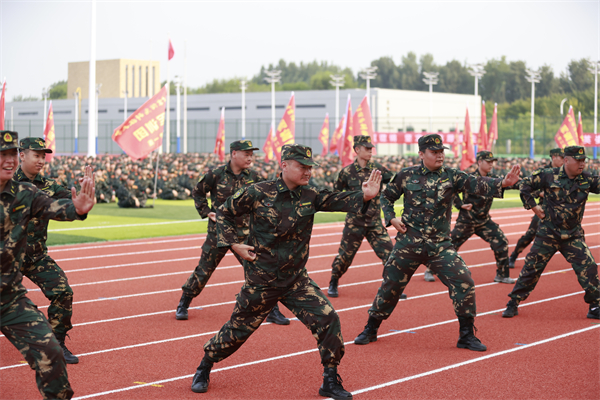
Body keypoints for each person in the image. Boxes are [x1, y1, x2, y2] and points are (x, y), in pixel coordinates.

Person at [190, 144, 383, 400]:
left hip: (296, 281)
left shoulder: (311, 195)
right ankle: (204, 366)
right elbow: (224, 212)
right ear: (284, 165)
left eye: (310, 167)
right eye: (302, 166)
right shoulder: (258, 191)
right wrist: (234, 244)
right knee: (236, 332)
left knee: (328, 319)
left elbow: (338, 199)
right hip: (262, 280)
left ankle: (330, 378)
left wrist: (365, 196)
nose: (308, 171)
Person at [353, 134, 520, 352]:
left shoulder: (452, 175)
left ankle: (466, 335)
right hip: (408, 244)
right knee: (390, 286)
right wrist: (391, 218)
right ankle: (371, 328)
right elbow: (386, 197)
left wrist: (503, 183)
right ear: (421, 154)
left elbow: (477, 183)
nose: (440, 155)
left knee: (464, 282)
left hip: (440, 246)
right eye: (434, 152)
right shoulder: (406, 175)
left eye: (442, 151)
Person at [1, 130, 96, 399]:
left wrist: (79, 208)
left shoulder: (29, 191)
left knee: (61, 300)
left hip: (22, 273)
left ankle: (59, 342)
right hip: (10, 269)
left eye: (11, 153)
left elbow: (62, 206)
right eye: (3, 154)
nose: (9, 159)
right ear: (24, 156)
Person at [176, 140, 289, 325]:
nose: (250, 158)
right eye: (246, 154)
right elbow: (197, 192)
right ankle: (183, 304)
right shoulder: (215, 175)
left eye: (251, 155)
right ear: (234, 153)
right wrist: (206, 212)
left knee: (258, 271)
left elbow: (266, 198)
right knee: (203, 271)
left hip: (244, 234)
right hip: (218, 233)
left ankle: (272, 310)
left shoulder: (254, 177)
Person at [502, 145, 599, 319]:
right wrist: (534, 206)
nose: (582, 164)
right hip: (548, 234)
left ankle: (595, 306)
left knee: (589, 267)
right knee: (531, 269)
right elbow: (524, 185)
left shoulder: (587, 178)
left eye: (584, 160)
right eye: (578, 160)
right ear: (566, 160)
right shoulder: (548, 175)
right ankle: (513, 302)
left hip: (572, 235)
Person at [14, 137, 81, 364]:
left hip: (36, 256)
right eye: (36, 155)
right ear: (22, 155)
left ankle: (57, 344)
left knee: (63, 292)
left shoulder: (50, 186)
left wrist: (84, 194)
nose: (41, 160)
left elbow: (73, 202)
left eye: (43, 156)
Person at [327, 135, 406, 300]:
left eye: (371, 148)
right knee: (345, 257)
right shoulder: (346, 173)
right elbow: (336, 195)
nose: (371, 151)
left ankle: (392, 287)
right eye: (367, 148)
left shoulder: (378, 169)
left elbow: (395, 182)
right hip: (354, 223)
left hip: (374, 223)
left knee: (390, 255)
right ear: (357, 150)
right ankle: (334, 281)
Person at [450, 151, 519, 284]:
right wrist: (460, 205)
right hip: (467, 221)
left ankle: (502, 275)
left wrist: (533, 186)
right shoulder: (469, 178)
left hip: (484, 221)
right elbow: (452, 190)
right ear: (479, 162)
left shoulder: (493, 179)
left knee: (501, 241)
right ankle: (431, 270)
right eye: (488, 162)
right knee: (450, 246)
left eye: (492, 162)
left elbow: (510, 184)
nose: (491, 164)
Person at [508, 148, 564, 268]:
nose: (564, 160)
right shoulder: (543, 172)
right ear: (554, 157)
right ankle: (514, 255)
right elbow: (527, 187)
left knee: (574, 234)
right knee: (530, 235)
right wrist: (539, 193)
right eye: (561, 157)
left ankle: (583, 261)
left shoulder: (566, 173)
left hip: (562, 210)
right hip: (544, 210)